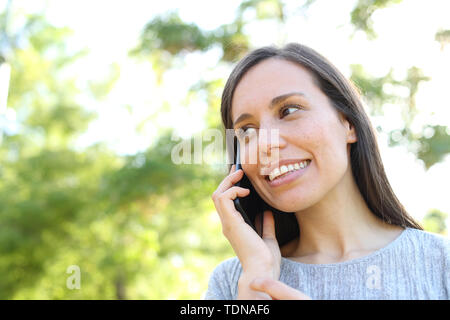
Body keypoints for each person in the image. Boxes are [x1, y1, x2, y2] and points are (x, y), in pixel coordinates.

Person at [206, 43, 450, 300]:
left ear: (348, 124)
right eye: (246, 130)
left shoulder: (440, 264)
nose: (265, 144)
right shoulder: (231, 284)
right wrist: (256, 288)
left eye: (289, 111)